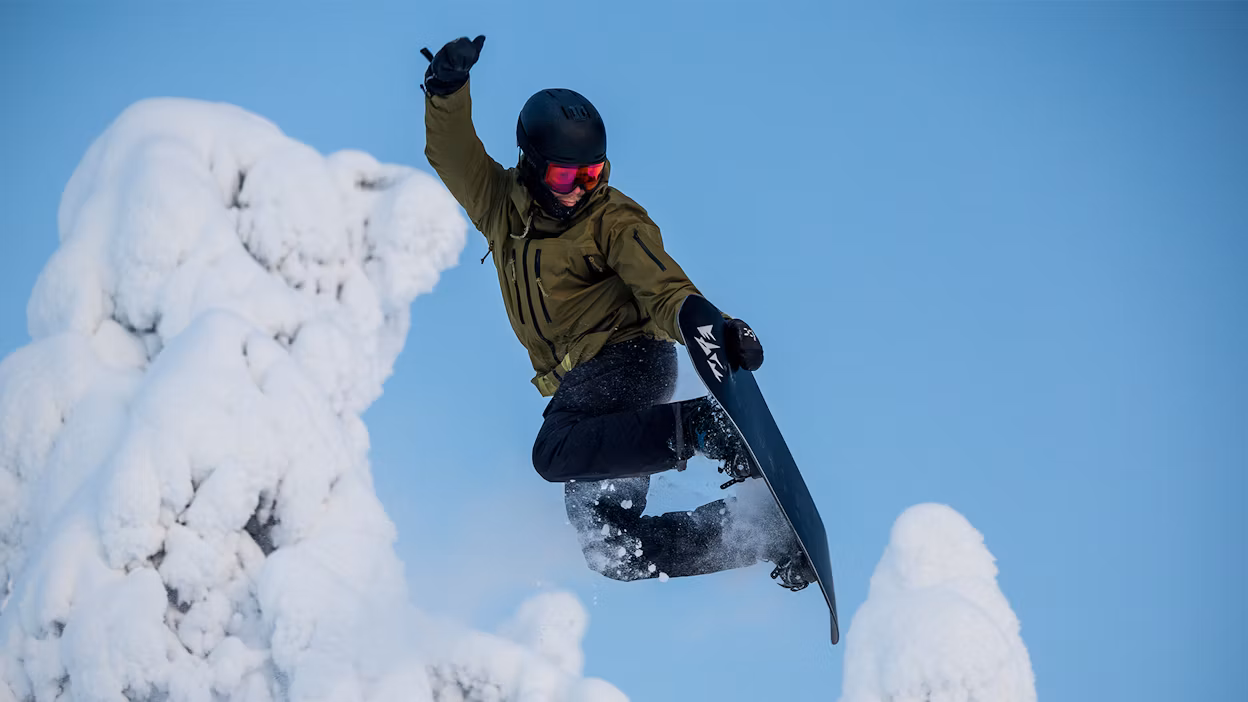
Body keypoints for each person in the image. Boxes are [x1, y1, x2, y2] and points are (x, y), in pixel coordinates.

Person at [421, 35, 812, 588]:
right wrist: (446, 90)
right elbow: (453, 155)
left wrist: (716, 330)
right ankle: (762, 534)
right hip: (586, 387)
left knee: (553, 450)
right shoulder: (501, 207)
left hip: (628, 364)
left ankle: (701, 426)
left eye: (593, 174)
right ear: (531, 166)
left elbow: (663, 288)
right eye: (566, 177)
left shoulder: (613, 220)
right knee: (614, 552)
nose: (581, 190)